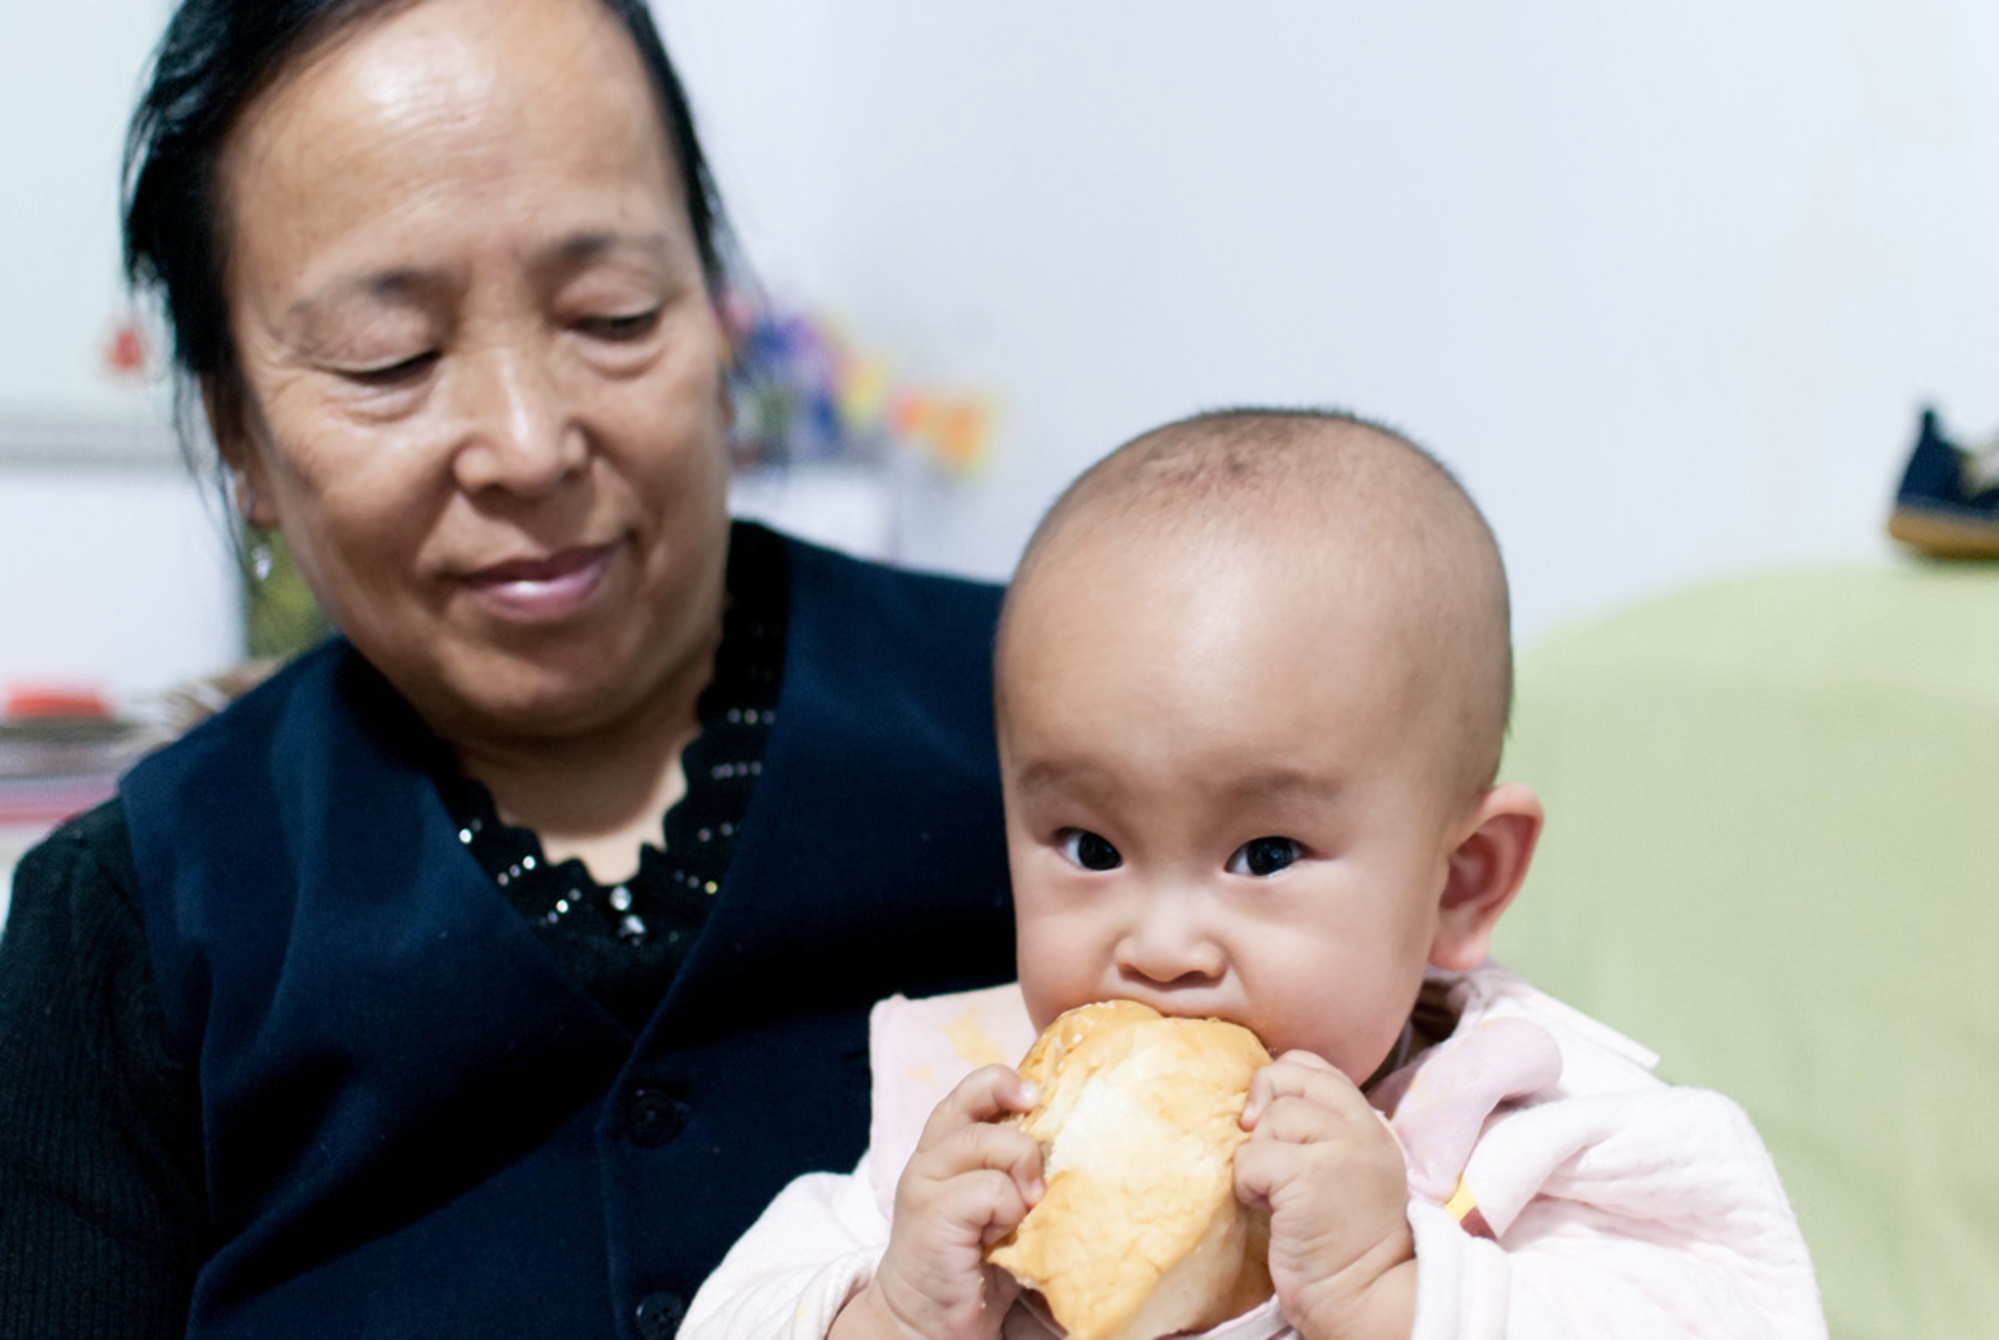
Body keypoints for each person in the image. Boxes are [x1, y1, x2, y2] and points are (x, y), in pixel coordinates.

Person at [0, 0, 1016, 1335]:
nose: (530, 445)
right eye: (393, 357)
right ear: (237, 434)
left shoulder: (1047, 719)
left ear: (714, 315)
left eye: (613, 314)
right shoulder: (130, 929)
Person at [681, 410, 1827, 1340]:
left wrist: (1395, 1292)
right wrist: (888, 1315)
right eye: (1090, 846)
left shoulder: (1543, 1137)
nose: (1161, 943)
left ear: (1462, 880)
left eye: (1264, 855)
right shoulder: (966, 1140)